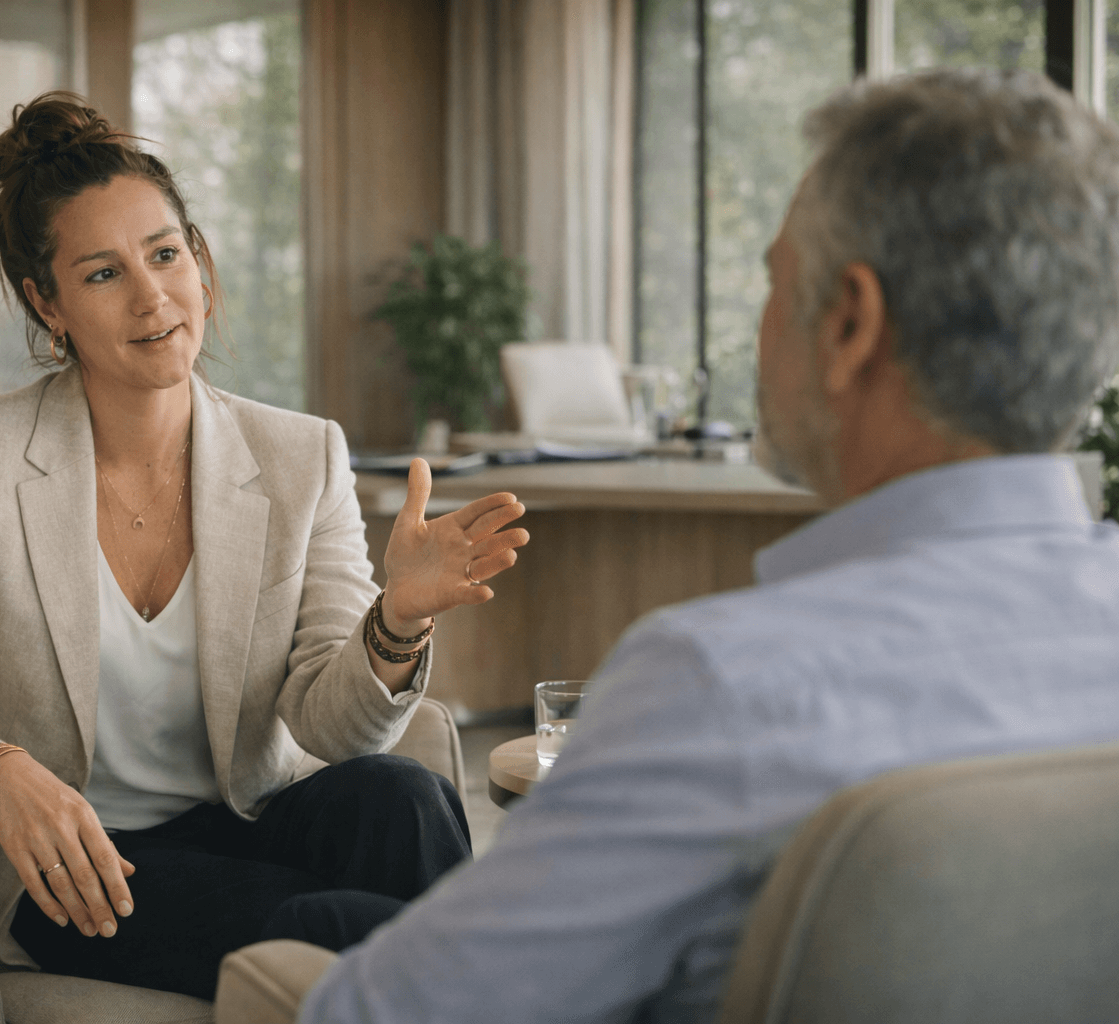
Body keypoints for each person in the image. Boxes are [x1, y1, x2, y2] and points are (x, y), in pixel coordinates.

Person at [295, 69, 1119, 1024]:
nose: (760, 327)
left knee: (311, 940)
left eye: (776, 281)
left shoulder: (722, 684)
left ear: (848, 324)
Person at [0, 91, 530, 1001]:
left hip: (248, 812)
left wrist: (394, 623)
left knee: (408, 797)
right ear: (49, 302)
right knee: (330, 925)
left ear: (198, 261)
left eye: (165, 254)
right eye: (105, 274)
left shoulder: (300, 454)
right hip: (87, 866)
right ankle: (518, 974)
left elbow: (330, 728)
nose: (153, 296)